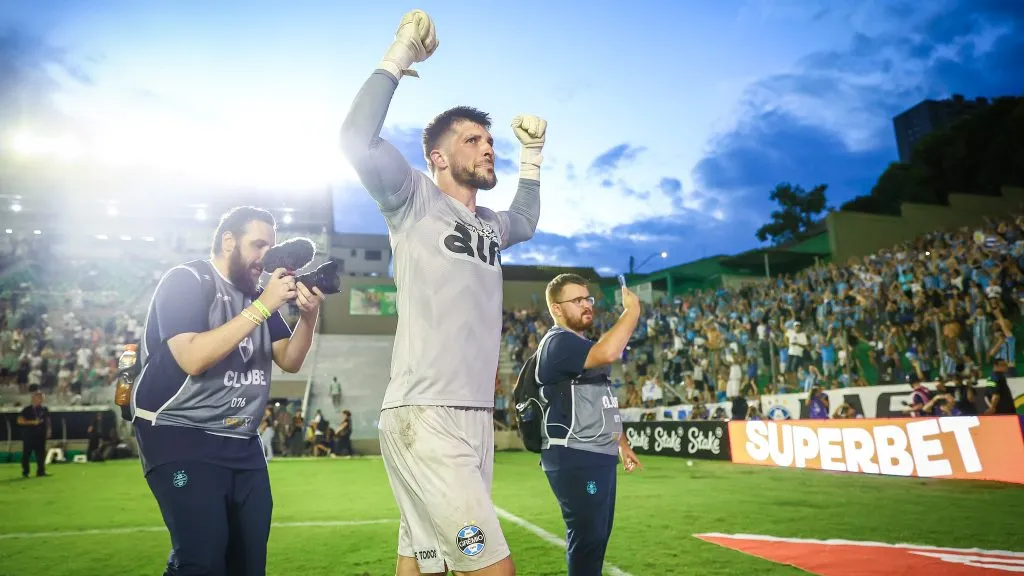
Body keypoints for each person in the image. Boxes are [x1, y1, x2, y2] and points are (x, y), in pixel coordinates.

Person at [339, 9, 545, 575]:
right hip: (426, 415)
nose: (488, 148)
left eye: (490, 141)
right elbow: (355, 139)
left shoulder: (491, 226)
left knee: (423, 561)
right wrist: (400, 54)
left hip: (473, 414)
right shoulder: (413, 199)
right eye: (473, 140)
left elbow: (526, 221)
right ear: (438, 157)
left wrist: (533, 157)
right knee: (492, 567)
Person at [129, 206, 325, 575]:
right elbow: (192, 358)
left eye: (270, 247)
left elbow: (290, 359)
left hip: (241, 439)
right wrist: (264, 305)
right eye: (257, 245)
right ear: (229, 241)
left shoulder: (257, 296)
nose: (265, 256)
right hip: (179, 431)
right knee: (202, 559)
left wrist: (309, 316)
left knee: (249, 564)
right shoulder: (187, 279)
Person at [535, 274, 643, 575]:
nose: (586, 305)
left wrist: (621, 443)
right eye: (577, 300)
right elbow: (610, 351)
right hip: (575, 454)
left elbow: (600, 399)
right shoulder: (559, 342)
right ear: (556, 309)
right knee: (589, 540)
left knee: (597, 538)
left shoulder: (579, 345)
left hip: (596, 453)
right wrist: (632, 311)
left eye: (588, 298)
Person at [17, 391, 50, 478]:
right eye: (40, 398)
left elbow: (47, 421)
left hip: (41, 435)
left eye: (43, 398)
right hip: (29, 435)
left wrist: (48, 430)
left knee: (41, 454)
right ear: (34, 398)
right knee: (26, 454)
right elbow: (20, 421)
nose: (42, 400)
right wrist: (32, 422)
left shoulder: (44, 409)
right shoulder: (27, 409)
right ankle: (25, 472)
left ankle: (41, 471)